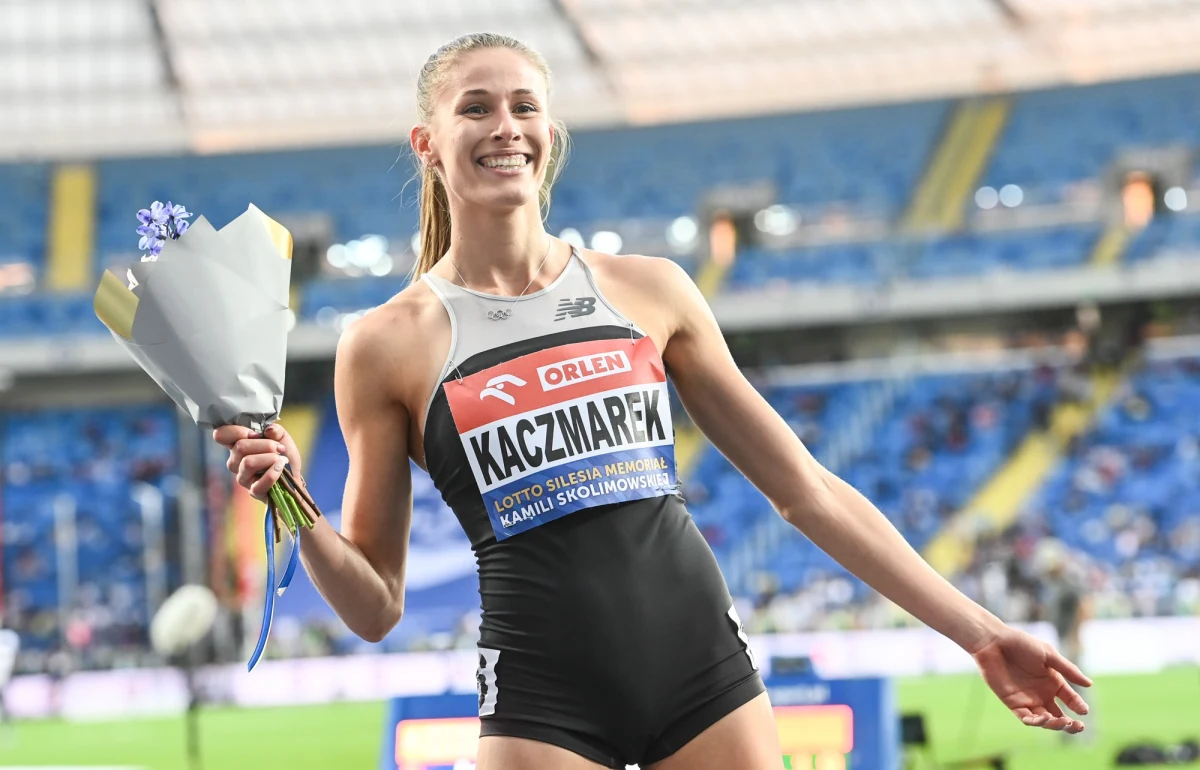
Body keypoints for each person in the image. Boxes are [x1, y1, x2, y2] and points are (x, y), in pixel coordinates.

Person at [215, 32, 1092, 770]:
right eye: (475, 108)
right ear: (427, 142)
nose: (504, 127)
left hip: (704, 675)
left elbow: (806, 491)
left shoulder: (649, 289)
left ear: (549, 132)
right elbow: (375, 607)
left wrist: (980, 632)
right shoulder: (385, 342)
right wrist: (292, 501)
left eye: (524, 106)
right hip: (537, 701)